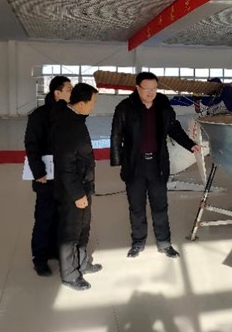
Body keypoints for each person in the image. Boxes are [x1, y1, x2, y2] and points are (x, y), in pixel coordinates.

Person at [110, 72, 202, 259]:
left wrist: (190, 144)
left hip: (157, 164)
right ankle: (138, 242)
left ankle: (164, 243)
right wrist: (118, 161)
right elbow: (116, 134)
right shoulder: (125, 107)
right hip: (135, 164)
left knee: (160, 206)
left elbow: (174, 128)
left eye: (154, 88)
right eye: (147, 89)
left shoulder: (163, 106)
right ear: (137, 88)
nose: (151, 92)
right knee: (136, 207)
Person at [51, 83, 102, 291]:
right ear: (81, 103)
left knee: (83, 228)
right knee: (70, 232)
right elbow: (65, 165)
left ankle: (82, 263)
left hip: (84, 186)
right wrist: (77, 193)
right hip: (73, 190)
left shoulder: (77, 120)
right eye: (93, 102)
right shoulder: (67, 125)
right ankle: (70, 275)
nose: (94, 106)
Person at [24, 75, 72, 276]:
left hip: (65, 175)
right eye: (68, 90)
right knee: (44, 217)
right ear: (57, 93)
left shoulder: (69, 114)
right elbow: (31, 145)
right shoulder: (39, 115)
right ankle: (40, 258)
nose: (71, 93)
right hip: (46, 176)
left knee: (61, 216)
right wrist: (39, 172)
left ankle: (55, 250)